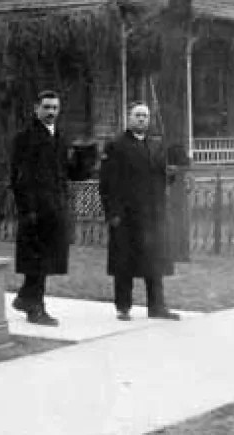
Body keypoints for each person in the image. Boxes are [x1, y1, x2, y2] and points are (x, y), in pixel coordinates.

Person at [9, 90, 89, 326]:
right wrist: (28, 209)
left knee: (45, 261)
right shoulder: (25, 138)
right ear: (36, 109)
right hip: (35, 210)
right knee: (36, 261)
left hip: (55, 208)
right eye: (46, 107)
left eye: (55, 107)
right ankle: (35, 307)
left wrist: (85, 159)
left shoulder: (60, 138)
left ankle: (27, 298)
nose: (51, 112)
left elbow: (70, 174)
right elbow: (18, 177)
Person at [99, 101, 180, 321]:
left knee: (154, 261)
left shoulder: (156, 145)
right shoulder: (116, 145)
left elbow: (160, 177)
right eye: (137, 115)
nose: (142, 119)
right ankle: (123, 307)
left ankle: (157, 306)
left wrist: (170, 174)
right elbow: (107, 183)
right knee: (124, 262)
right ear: (129, 118)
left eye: (145, 116)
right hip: (125, 215)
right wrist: (112, 213)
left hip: (152, 215)